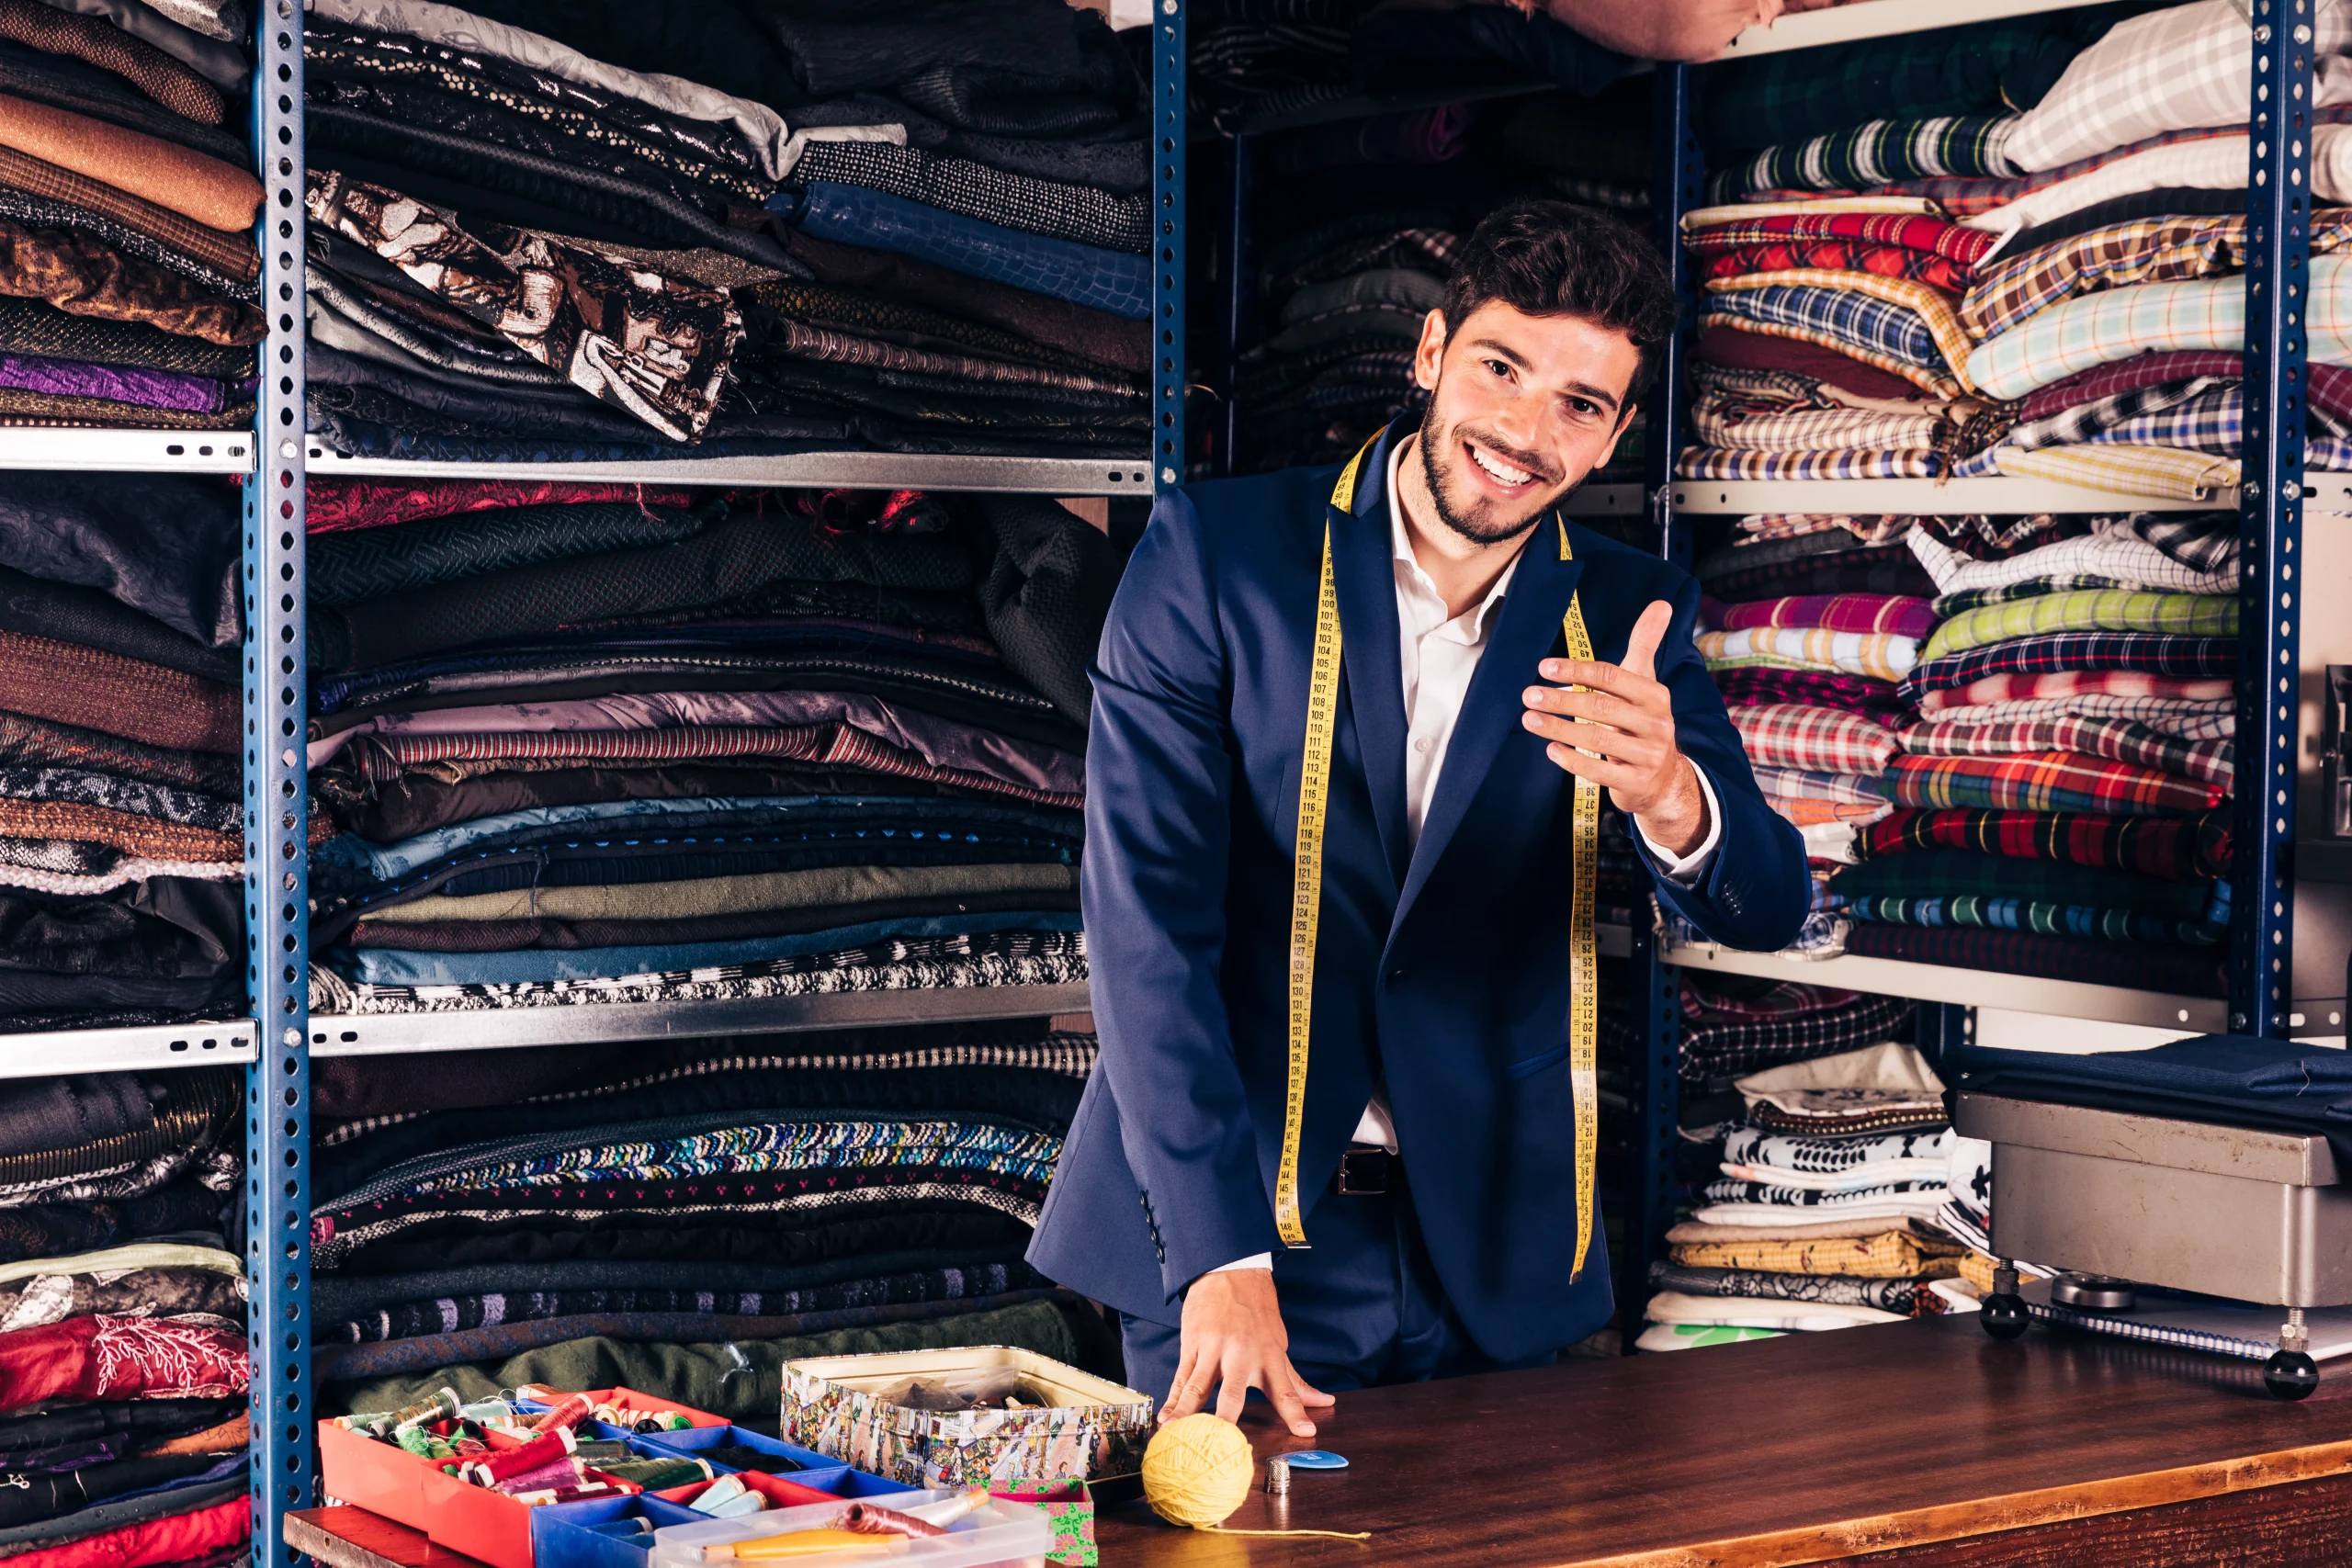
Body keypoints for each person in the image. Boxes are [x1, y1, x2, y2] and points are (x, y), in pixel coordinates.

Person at [1028, 200, 1809, 1434]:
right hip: (1245, 1229)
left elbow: (1771, 906)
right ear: (1432, 351)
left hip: (1495, 1247)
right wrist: (1217, 1254)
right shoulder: (1219, 556)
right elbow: (1146, 932)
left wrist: (1671, 792)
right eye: (1504, 369)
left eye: (1579, 404)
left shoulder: (1629, 613)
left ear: (1613, 436)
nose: (1524, 431)